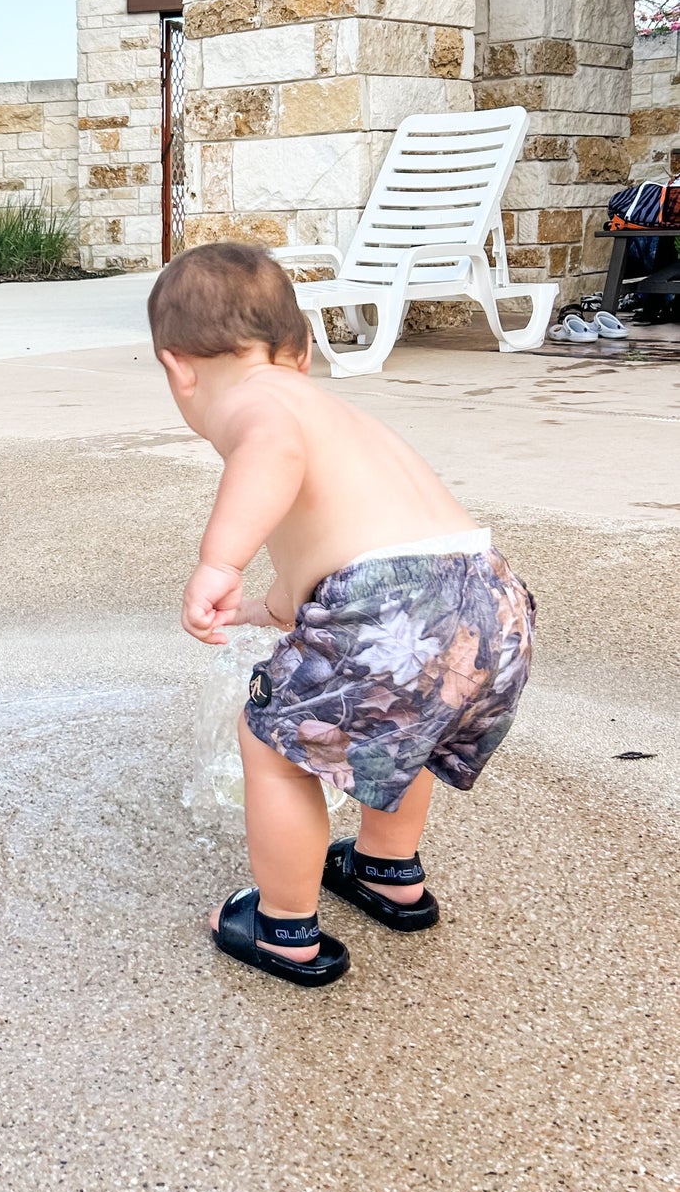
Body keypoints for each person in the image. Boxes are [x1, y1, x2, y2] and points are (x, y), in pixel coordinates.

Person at [151, 243, 534, 987]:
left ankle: (283, 924)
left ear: (178, 368)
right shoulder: (334, 413)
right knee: (409, 727)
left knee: (272, 745)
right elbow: (348, 568)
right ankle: (388, 870)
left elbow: (269, 453)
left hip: (392, 606)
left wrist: (219, 562)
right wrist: (271, 606)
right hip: (489, 598)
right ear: (297, 352)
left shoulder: (256, 407)